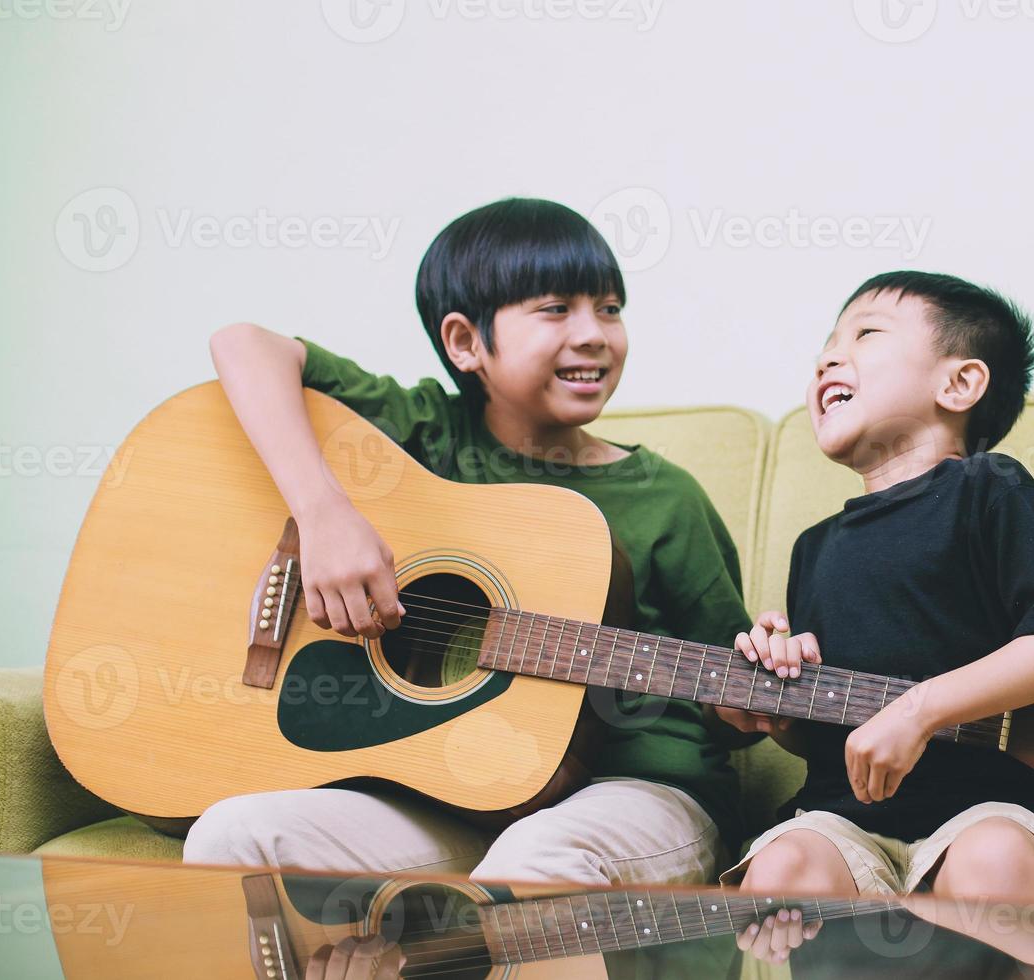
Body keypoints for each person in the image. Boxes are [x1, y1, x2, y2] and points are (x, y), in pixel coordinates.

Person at [183, 198, 753, 888]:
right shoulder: (427, 434)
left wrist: (752, 704)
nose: (594, 333)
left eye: (608, 308)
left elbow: (735, 701)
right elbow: (244, 343)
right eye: (555, 308)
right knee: (233, 835)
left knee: (534, 861)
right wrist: (323, 514)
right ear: (464, 343)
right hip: (452, 795)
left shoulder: (667, 499)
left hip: (634, 789)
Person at [715, 271, 1034, 965]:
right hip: (842, 819)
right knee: (780, 870)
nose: (827, 358)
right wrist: (778, 711)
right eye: (824, 345)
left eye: (864, 334)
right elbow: (833, 737)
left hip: (984, 808)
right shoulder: (814, 547)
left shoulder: (989, 488)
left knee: (992, 861)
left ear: (958, 385)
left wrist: (918, 710)